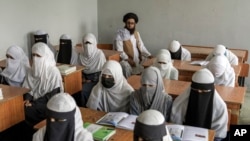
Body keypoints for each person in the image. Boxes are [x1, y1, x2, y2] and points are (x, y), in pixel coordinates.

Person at [170, 68, 228, 141]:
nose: (199, 93)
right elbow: (175, 126)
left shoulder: (220, 107)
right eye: (196, 90)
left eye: (204, 91)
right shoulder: (180, 102)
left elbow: (219, 135)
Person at [22, 42, 64, 126]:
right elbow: (28, 88)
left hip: (48, 103)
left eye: (38, 56)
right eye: (33, 55)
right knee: (19, 109)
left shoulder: (53, 72)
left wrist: (34, 104)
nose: (35, 58)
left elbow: (52, 96)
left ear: (46, 57)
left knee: (25, 112)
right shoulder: (31, 70)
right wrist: (27, 99)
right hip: (33, 102)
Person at [113, 12, 152, 78]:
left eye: (132, 23)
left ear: (135, 24)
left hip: (137, 59)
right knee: (125, 65)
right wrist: (128, 59)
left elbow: (141, 47)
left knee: (150, 62)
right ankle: (129, 82)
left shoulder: (136, 33)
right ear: (125, 23)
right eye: (128, 23)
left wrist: (149, 55)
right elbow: (119, 51)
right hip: (126, 60)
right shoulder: (120, 34)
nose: (130, 25)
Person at [78, 33, 106, 107]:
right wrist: (83, 79)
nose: (87, 46)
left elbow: (103, 72)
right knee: (73, 89)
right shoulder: (81, 55)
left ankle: (86, 109)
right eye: (85, 43)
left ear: (94, 43)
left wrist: (91, 80)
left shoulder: (99, 54)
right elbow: (80, 70)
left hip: (97, 80)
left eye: (90, 43)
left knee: (82, 90)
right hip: (84, 80)